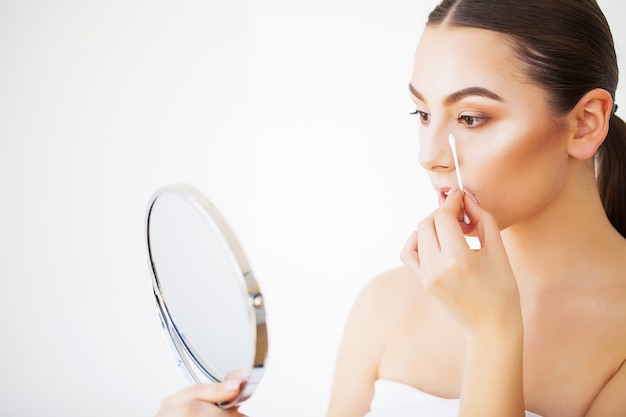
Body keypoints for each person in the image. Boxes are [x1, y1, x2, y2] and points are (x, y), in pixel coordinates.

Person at [154, 0, 626, 416]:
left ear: (585, 124)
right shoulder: (385, 306)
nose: (429, 154)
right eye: (422, 114)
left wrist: (494, 335)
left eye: (470, 118)